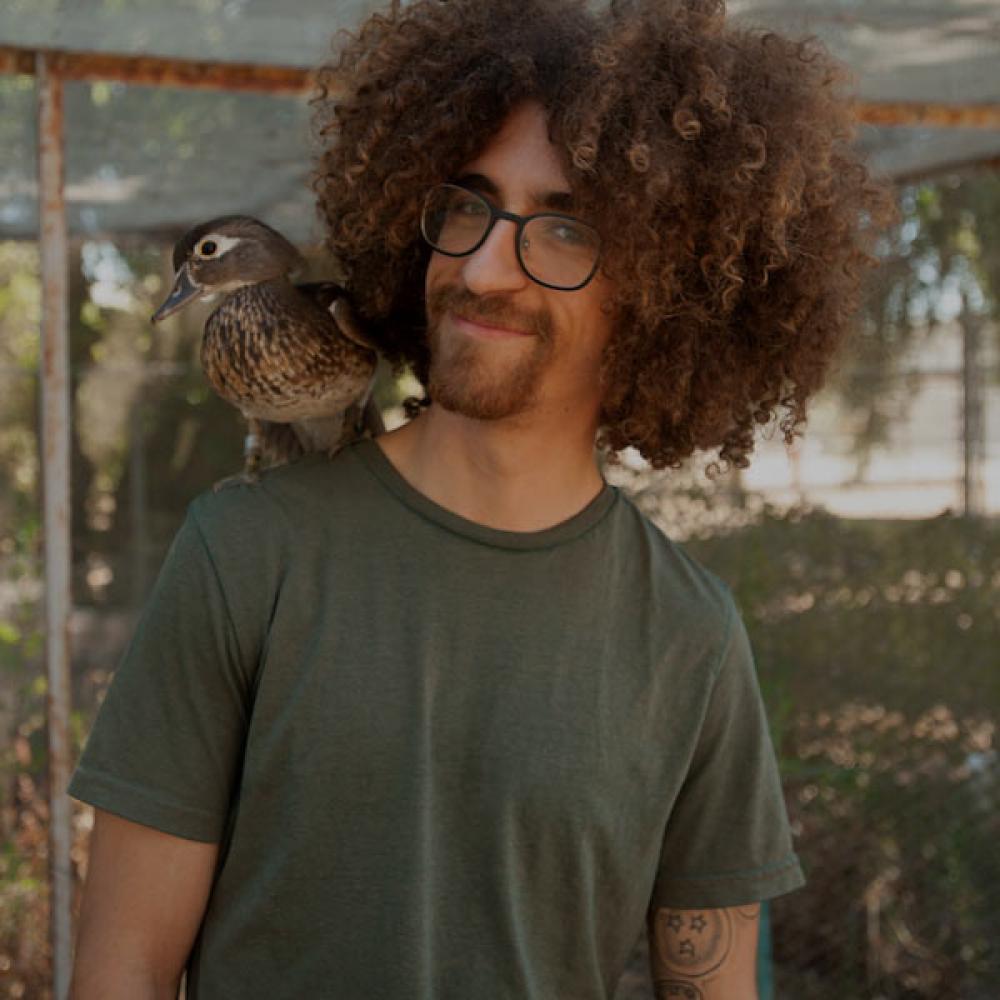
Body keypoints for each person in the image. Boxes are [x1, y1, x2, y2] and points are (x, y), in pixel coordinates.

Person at [68, 0, 891, 997]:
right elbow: (120, 974)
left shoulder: (688, 636)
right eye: (467, 204)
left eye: (562, 225)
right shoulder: (247, 553)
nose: (485, 264)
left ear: (661, 287)